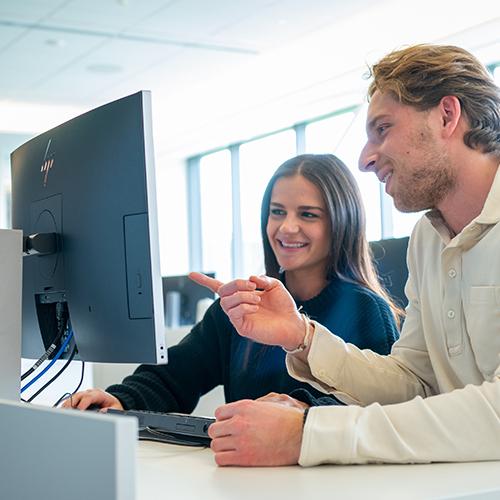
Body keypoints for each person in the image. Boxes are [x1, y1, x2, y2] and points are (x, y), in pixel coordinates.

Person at [194, 44, 500, 467]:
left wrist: (310, 434)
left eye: (383, 129)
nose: (365, 158)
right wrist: (302, 335)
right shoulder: (427, 241)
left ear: (447, 115)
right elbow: (412, 382)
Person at [63, 154, 401, 414]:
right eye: (277, 212)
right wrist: (121, 400)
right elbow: (176, 375)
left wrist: (301, 417)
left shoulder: (366, 310)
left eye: (308, 214)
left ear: (342, 222)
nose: (286, 228)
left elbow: (379, 411)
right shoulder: (244, 304)